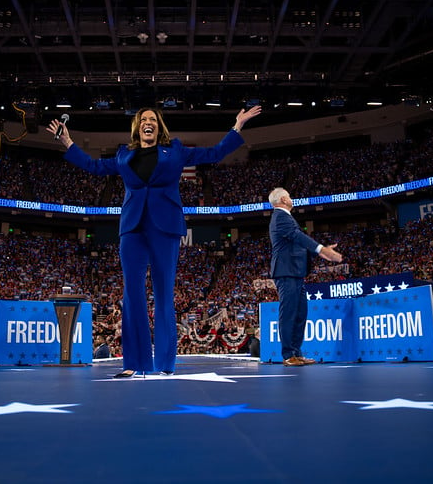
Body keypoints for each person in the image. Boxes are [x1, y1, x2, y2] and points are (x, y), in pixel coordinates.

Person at [47, 105, 261, 377]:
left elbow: (214, 153)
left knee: (163, 294)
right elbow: (95, 166)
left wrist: (237, 127)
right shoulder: (125, 153)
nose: (148, 122)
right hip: (132, 228)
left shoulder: (176, 149)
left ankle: (164, 366)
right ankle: (134, 364)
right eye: (143, 119)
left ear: (159, 127)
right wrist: (68, 142)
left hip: (166, 226)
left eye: (153, 119)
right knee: (132, 295)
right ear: (137, 127)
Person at [268, 188, 343, 366]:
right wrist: (322, 250)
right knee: (289, 313)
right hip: (286, 272)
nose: (291, 199)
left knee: (300, 313)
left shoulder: (285, 217)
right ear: (284, 198)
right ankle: (288, 355)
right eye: (290, 195)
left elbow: (297, 244)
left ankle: (296, 352)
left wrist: (321, 252)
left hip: (296, 272)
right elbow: (297, 236)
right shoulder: (280, 216)